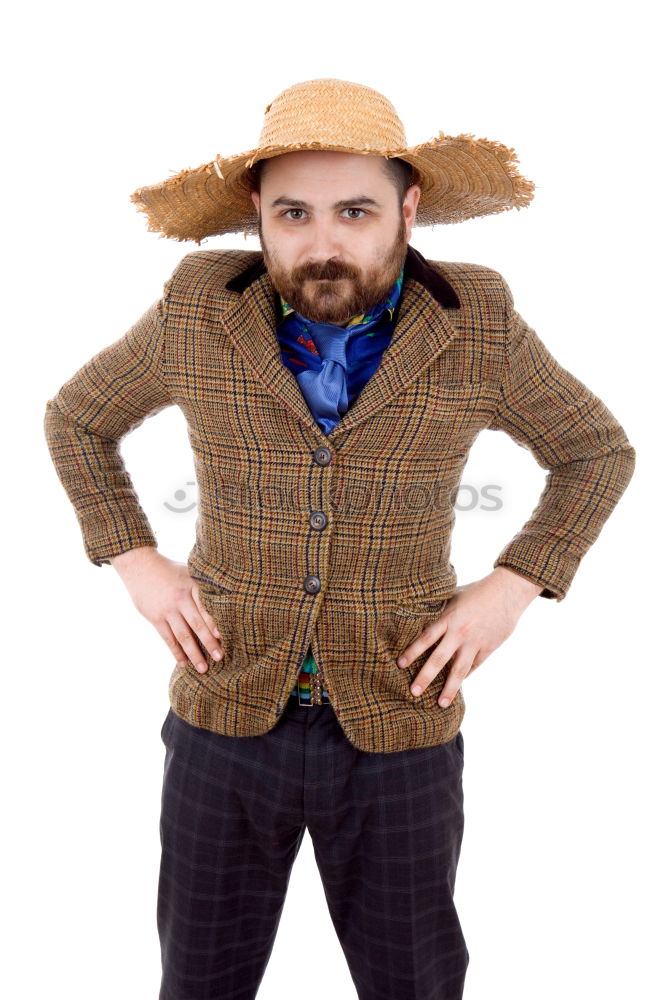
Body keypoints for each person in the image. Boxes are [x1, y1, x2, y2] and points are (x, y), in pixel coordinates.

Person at [43, 78, 636, 999]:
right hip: (223, 716)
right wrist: (134, 558)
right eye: (294, 213)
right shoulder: (199, 307)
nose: (323, 243)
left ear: (407, 208)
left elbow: (596, 450)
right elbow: (77, 418)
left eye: (355, 211)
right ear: (258, 216)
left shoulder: (476, 321)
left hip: (401, 720)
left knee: (414, 981)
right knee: (199, 980)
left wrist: (514, 585)